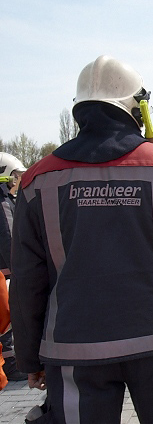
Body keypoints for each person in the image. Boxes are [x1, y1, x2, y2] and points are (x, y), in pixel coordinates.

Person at [10, 55, 153, 423]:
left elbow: (27, 280)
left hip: (73, 351)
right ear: (138, 108)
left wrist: (29, 358)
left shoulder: (36, 181)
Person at [0, 153, 28, 382]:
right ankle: (10, 365)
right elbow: (10, 239)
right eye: (16, 176)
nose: (18, 180)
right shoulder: (3, 204)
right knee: (6, 319)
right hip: (6, 273)